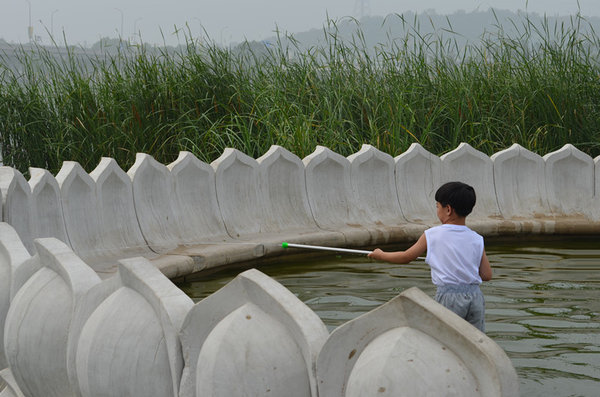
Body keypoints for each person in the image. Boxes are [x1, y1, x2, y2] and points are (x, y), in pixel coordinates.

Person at [368, 181, 492, 332]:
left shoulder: (432, 234)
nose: (437, 210)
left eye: (437, 206)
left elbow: (406, 257)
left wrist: (380, 255)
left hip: (449, 298)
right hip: (475, 297)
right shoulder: (476, 238)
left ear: (448, 210)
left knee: (446, 338)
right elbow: (486, 275)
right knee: (475, 342)